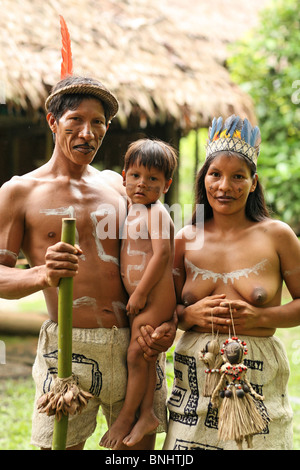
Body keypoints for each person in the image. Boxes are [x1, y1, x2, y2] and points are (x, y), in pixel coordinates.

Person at [0, 75, 176, 450]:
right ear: (52, 121)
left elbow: (161, 255)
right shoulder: (19, 192)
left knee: (135, 452)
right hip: (69, 346)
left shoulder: (120, 186)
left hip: (134, 340)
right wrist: (43, 274)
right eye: (75, 120)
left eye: (98, 123)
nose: (88, 132)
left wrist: (170, 318)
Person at [163, 115, 300, 450]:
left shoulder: (277, 235)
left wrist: (262, 318)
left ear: (253, 183)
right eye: (216, 175)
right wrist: (189, 317)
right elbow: (164, 310)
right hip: (195, 378)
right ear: (204, 179)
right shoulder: (185, 238)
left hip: (257, 379)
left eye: (238, 176)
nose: (225, 186)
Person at [100, 139, 177, 449]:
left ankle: (126, 416)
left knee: (136, 354)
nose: (142, 184)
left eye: (153, 179)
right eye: (135, 176)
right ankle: (146, 413)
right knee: (144, 357)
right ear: (123, 177)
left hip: (154, 297)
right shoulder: (132, 210)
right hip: (142, 299)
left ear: (166, 185)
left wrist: (140, 293)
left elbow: (161, 255)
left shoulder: (156, 212)